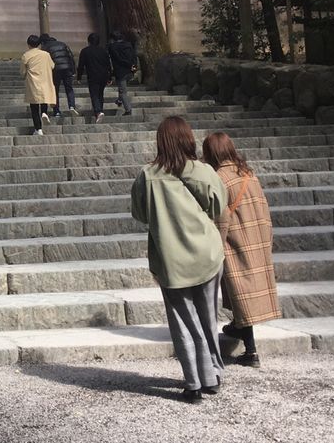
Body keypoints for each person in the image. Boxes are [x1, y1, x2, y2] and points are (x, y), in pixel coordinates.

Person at [130, 116, 228, 403]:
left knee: (182, 322)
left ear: (160, 141)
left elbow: (140, 214)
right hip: (207, 253)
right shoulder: (203, 171)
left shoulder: (147, 175)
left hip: (171, 257)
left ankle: (194, 383)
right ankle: (212, 374)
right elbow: (218, 206)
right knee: (208, 317)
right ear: (188, 138)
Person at [201, 132, 281, 368]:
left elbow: (221, 217)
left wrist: (215, 244)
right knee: (243, 290)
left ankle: (251, 351)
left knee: (240, 290)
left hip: (235, 239)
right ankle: (237, 327)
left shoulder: (219, 178)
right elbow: (263, 207)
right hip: (256, 236)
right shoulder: (248, 174)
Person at [20, 34, 56, 135]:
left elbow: (22, 72)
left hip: (33, 82)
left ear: (28, 44)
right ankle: (44, 112)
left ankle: (38, 129)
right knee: (44, 99)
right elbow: (52, 66)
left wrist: (24, 75)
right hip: (44, 80)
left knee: (34, 106)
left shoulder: (26, 55)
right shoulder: (46, 54)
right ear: (39, 44)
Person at [39, 33, 79, 119]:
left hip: (55, 69)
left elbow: (44, 61)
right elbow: (71, 57)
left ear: (42, 42)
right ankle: (72, 106)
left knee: (55, 90)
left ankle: (57, 111)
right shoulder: (63, 44)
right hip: (67, 68)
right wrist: (73, 70)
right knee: (69, 88)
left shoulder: (45, 47)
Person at [76, 33, 113, 123]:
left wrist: (79, 77)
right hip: (103, 75)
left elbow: (81, 65)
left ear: (89, 41)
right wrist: (110, 77)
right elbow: (108, 65)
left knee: (94, 94)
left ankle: (98, 111)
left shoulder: (85, 51)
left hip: (93, 75)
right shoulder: (103, 51)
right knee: (100, 94)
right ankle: (99, 111)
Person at [107, 31, 138, 115]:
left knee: (123, 92)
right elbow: (134, 56)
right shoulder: (128, 45)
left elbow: (118, 59)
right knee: (122, 89)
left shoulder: (113, 47)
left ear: (112, 39)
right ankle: (119, 100)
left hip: (121, 72)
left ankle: (128, 110)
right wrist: (134, 66)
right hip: (130, 71)